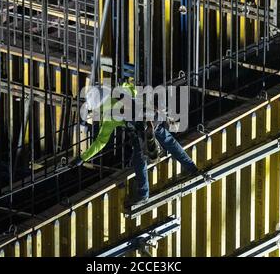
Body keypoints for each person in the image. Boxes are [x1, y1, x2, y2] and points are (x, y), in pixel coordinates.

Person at [70, 79, 198, 206]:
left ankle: (143, 194)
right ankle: (192, 168)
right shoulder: (119, 91)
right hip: (153, 117)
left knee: (139, 160)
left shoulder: (109, 117)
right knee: (170, 143)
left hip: (139, 130)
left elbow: (100, 142)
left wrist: (82, 158)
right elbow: (135, 88)